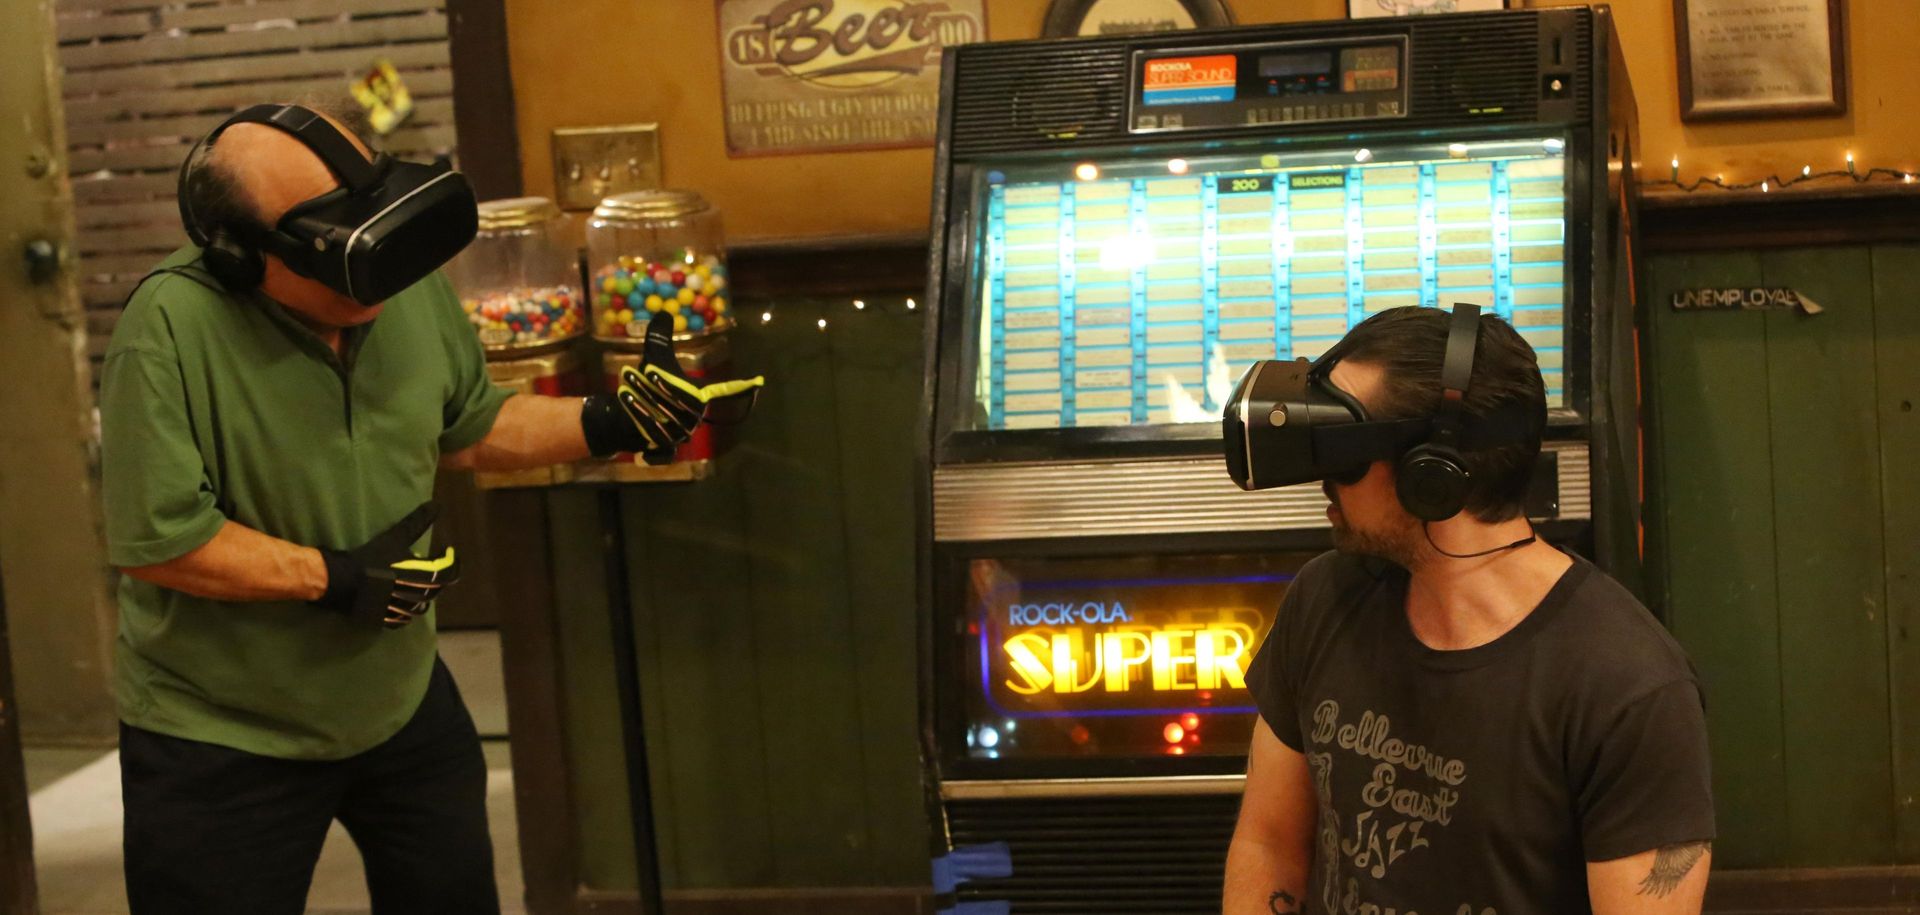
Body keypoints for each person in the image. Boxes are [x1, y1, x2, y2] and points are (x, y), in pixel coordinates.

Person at [98, 100, 760, 914]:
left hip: (400, 699)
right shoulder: (166, 328)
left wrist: (611, 419)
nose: (377, 275)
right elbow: (162, 541)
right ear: (239, 256)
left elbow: (472, 424)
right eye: (338, 249)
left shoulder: (400, 282)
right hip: (223, 725)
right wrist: (335, 578)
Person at [1222, 306, 1714, 914]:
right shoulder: (1323, 599)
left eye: (1342, 447)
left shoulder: (1629, 688)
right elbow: (1268, 844)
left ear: (1431, 474)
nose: (1321, 476)